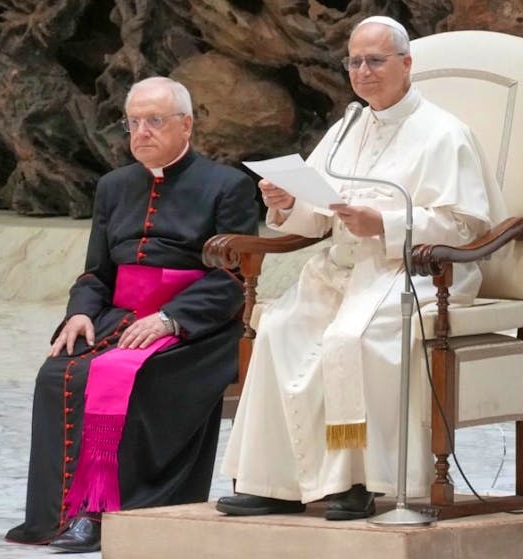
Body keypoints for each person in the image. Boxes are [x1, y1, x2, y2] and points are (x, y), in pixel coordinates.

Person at [216, 15, 506, 520]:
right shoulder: (348, 126)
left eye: (376, 60)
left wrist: (387, 223)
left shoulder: (444, 133)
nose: (364, 72)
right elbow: (315, 212)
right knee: (281, 329)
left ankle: (358, 482)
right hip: (341, 269)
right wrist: (284, 201)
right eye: (354, 61)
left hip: (411, 273)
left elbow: (465, 225)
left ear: (407, 64)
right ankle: (275, 482)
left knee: (350, 340)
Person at [5, 76, 258, 552]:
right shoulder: (114, 186)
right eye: (134, 122)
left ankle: (111, 514)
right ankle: (61, 517)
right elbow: (96, 272)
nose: (141, 131)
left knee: (125, 376)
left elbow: (232, 279)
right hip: (118, 317)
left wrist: (169, 318)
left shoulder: (229, 186)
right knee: (57, 373)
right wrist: (79, 314)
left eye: (155, 121)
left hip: (196, 328)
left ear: (187, 125)